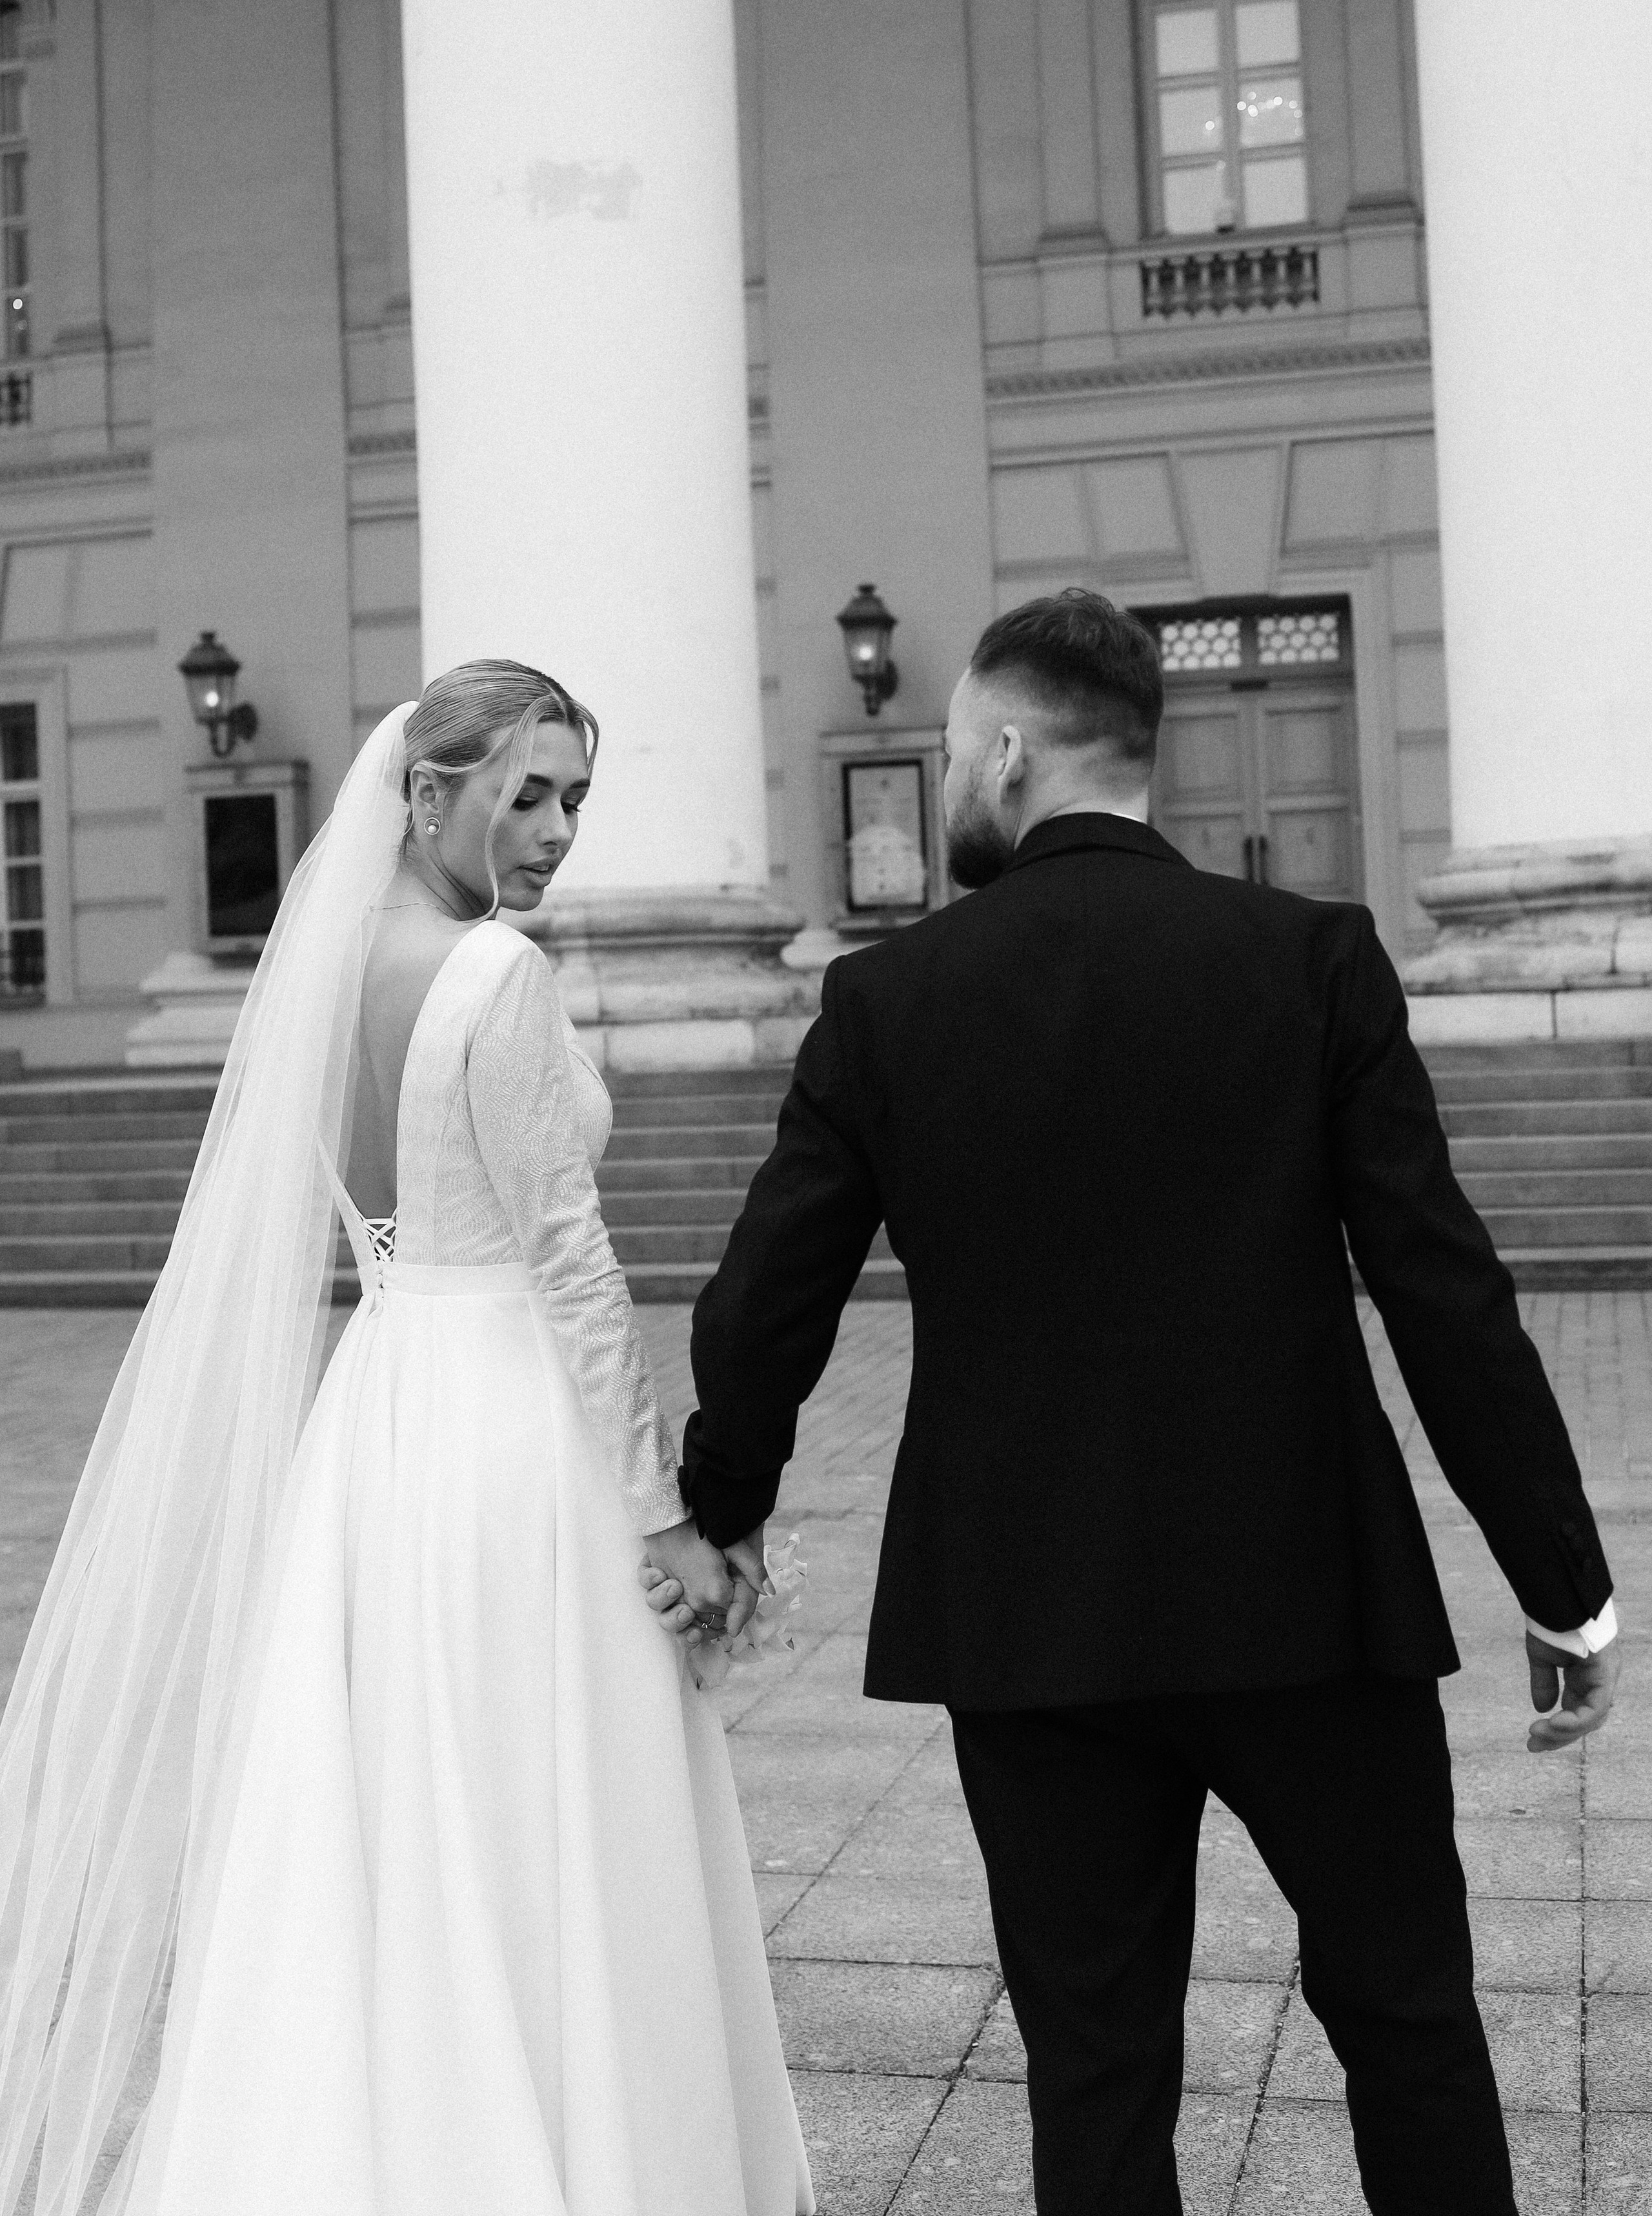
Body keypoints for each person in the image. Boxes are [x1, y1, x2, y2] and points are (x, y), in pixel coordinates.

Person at [680, 588, 1620, 2216]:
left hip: (1029, 1614)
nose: (948, 777)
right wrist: (1561, 1582)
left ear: (1006, 750)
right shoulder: (1310, 960)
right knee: (1405, 2015)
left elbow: (766, 1299)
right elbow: (1441, 1292)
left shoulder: (889, 1001)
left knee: (1095, 2069)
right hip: (1308, 1597)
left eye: (952, 750)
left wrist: (725, 1503)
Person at [0, 663, 814, 2216]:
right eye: (527, 794)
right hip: (506, 1422)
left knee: (395, 1788)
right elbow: (569, 1259)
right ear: (428, 793)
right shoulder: (492, 973)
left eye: (575, 797)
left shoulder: (316, 973)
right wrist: (663, 1513)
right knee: (536, 1792)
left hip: (378, 1407)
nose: (557, 831)